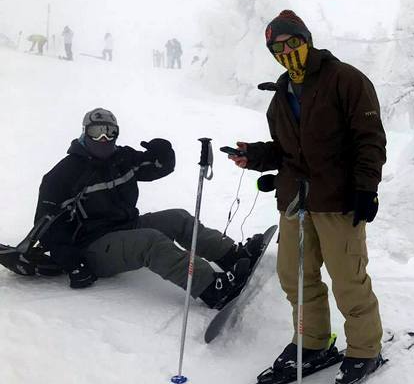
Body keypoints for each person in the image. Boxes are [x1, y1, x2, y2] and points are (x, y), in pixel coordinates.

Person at [229, 10, 386, 384]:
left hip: (338, 200)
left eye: (292, 42)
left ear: (306, 39)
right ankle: (313, 343)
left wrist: (366, 189)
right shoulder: (281, 95)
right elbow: (288, 151)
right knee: (294, 276)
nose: (286, 51)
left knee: (348, 279)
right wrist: (258, 157)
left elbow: (370, 139)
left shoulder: (345, 80)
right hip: (296, 202)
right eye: (277, 47)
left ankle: (365, 350)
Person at [35, 107, 262, 308]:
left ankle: (232, 255)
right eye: (96, 132)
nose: (104, 138)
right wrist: (74, 263)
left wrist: (164, 152)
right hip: (91, 247)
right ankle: (212, 288)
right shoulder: (64, 174)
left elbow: (157, 168)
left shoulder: (121, 158)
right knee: (150, 242)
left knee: (179, 218)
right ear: (85, 133)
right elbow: (47, 227)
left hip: (125, 227)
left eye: (110, 132)